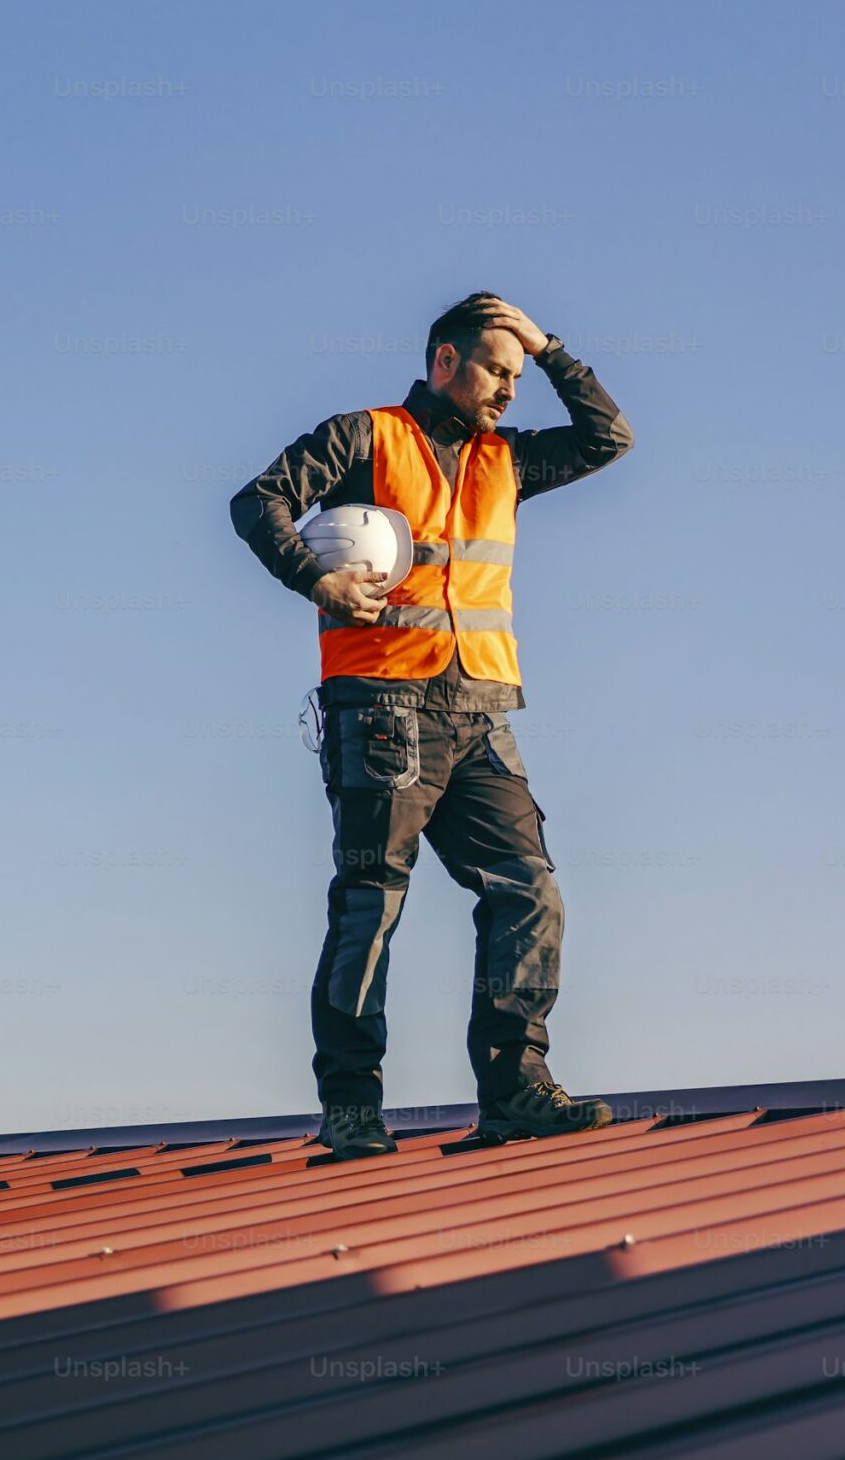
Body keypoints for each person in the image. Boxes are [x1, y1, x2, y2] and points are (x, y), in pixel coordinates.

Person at [229, 293, 635, 1157]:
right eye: (497, 368)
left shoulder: (507, 460)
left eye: (519, 375)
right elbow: (255, 500)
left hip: (482, 710)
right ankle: (350, 1107)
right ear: (444, 362)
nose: (510, 390)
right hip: (382, 708)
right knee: (371, 904)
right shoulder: (364, 438)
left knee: (530, 891)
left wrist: (550, 345)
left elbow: (609, 439)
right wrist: (316, 579)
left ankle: (515, 1090)